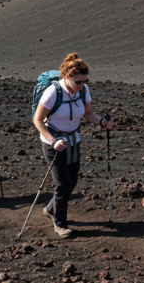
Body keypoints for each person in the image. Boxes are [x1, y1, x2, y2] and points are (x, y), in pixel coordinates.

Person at [32, 53, 115, 238]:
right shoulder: (53, 92)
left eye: (85, 81)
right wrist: (53, 140)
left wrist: (102, 122)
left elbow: (88, 113)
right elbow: (37, 120)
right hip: (53, 144)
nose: (82, 85)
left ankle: (51, 209)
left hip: (73, 142)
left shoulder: (83, 90)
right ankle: (60, 224)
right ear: (67, 77)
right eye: (78, 81)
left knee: (72, 182)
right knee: (62, 185)